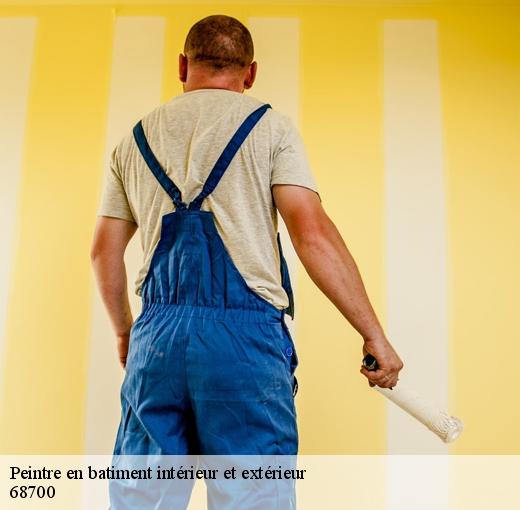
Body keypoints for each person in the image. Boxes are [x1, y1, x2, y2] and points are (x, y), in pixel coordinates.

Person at [91, 11, 402, 463]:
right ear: (250, 73)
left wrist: (125, 332)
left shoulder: (133, 141)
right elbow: (311, 234)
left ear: (182, 66)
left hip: (154, 341)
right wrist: (373, 333)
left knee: (145, 492)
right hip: (243, 342)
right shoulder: (271, 129)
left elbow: (103, 252)